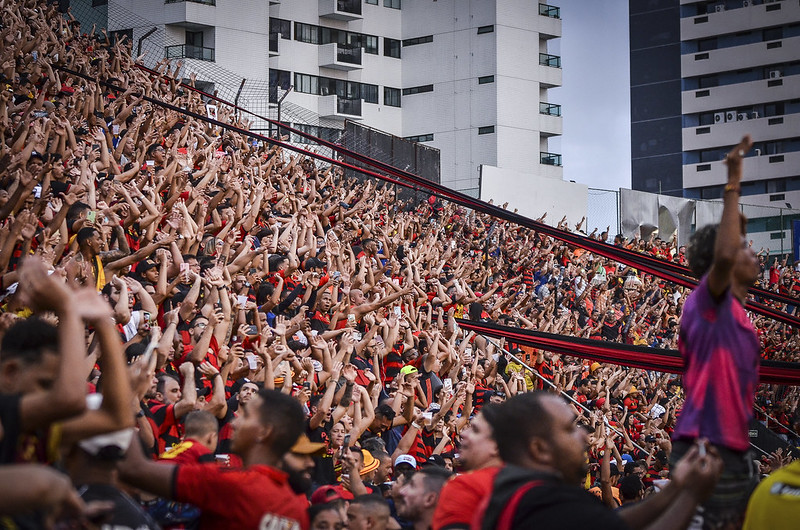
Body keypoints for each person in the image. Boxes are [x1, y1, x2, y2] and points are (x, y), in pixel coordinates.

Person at [476, 391, 723, 530]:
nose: (583, 434)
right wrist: (691, 495)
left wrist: (678, 488)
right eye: (568, 429)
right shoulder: (538, 505)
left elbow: (613, 523)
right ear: (539, 448)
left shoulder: (525, 490)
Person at [674, 136, 760, 529]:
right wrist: (734, 180)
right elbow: (725, 254)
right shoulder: (708, 302)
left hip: (730, 444)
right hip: (707, 444)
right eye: (744, 247)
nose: (753, 253)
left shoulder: (734, 312)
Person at [119, 389, 310, 529]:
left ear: (264, 432)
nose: (234, 423)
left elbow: (135, 470)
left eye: (247, 416)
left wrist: (131, 396)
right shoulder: (298, 509)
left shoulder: (229, 484)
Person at [432, 407, 502, 530]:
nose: (464, 434)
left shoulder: (465, 486)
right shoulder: (525, 482)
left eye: (475, 430)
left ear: (496, 445)